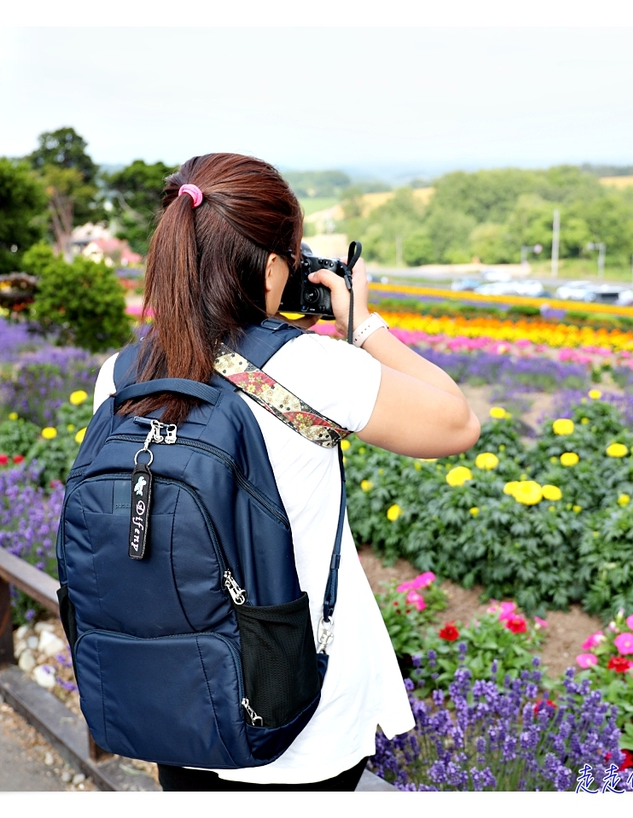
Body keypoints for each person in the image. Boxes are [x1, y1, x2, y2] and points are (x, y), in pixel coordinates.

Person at [91, 152, 481, 790]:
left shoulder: (123, 372)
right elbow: (457, 421)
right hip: (299, 717)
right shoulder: (313, 368)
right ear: (274, 267)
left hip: (177, 698)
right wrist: (364, 325)